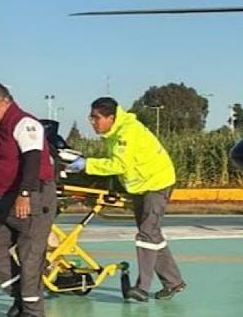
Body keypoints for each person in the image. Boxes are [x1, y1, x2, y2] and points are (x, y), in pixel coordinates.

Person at [66, 97, 186, 302]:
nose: (93, 122)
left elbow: (119, 165)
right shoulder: (114, 132)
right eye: (91, 118)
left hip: (156, 183)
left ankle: (142, 288)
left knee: (146, 234)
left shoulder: (127, 133)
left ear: (111, 118)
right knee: (152, 234)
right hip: (140, 185)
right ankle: (173, 281)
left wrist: (87, 165)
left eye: (96, 118)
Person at [0, 83, 57, 317]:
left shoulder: (25, 124)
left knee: (30, 259)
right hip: (3, 200)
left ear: (6, 102)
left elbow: (32, 160)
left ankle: (32, 312)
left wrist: (25, 194)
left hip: (32, 197)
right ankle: (20, 297)